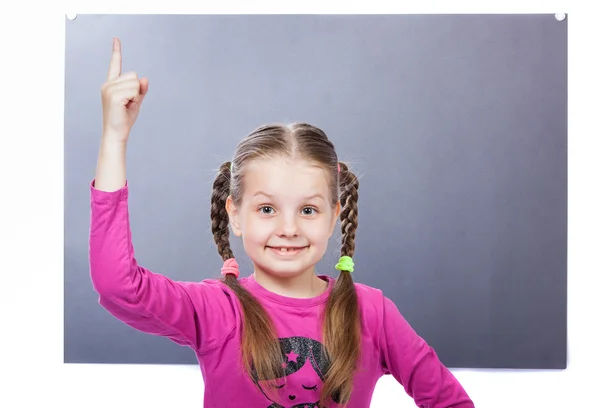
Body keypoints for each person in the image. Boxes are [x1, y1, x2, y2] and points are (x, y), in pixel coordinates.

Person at [89, 37, 475, 408]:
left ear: (333, 217)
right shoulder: (216, 310)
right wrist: (113, 138)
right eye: (267, 209)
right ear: (236, 215)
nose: (288, 228)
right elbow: (117, 286)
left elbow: (449, 401)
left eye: (308, 210)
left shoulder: (372, 313)